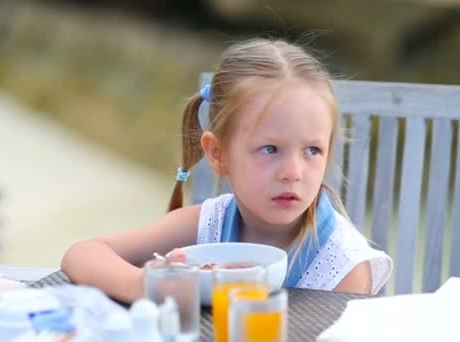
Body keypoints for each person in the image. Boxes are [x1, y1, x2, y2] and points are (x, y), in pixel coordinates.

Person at [61, 38, 392, 303]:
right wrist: (143, 284)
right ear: (218, 155)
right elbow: (83, 253)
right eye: (270, 149)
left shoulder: (342, 265)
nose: (293, 171)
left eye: (312, 150)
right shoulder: (208, 226)